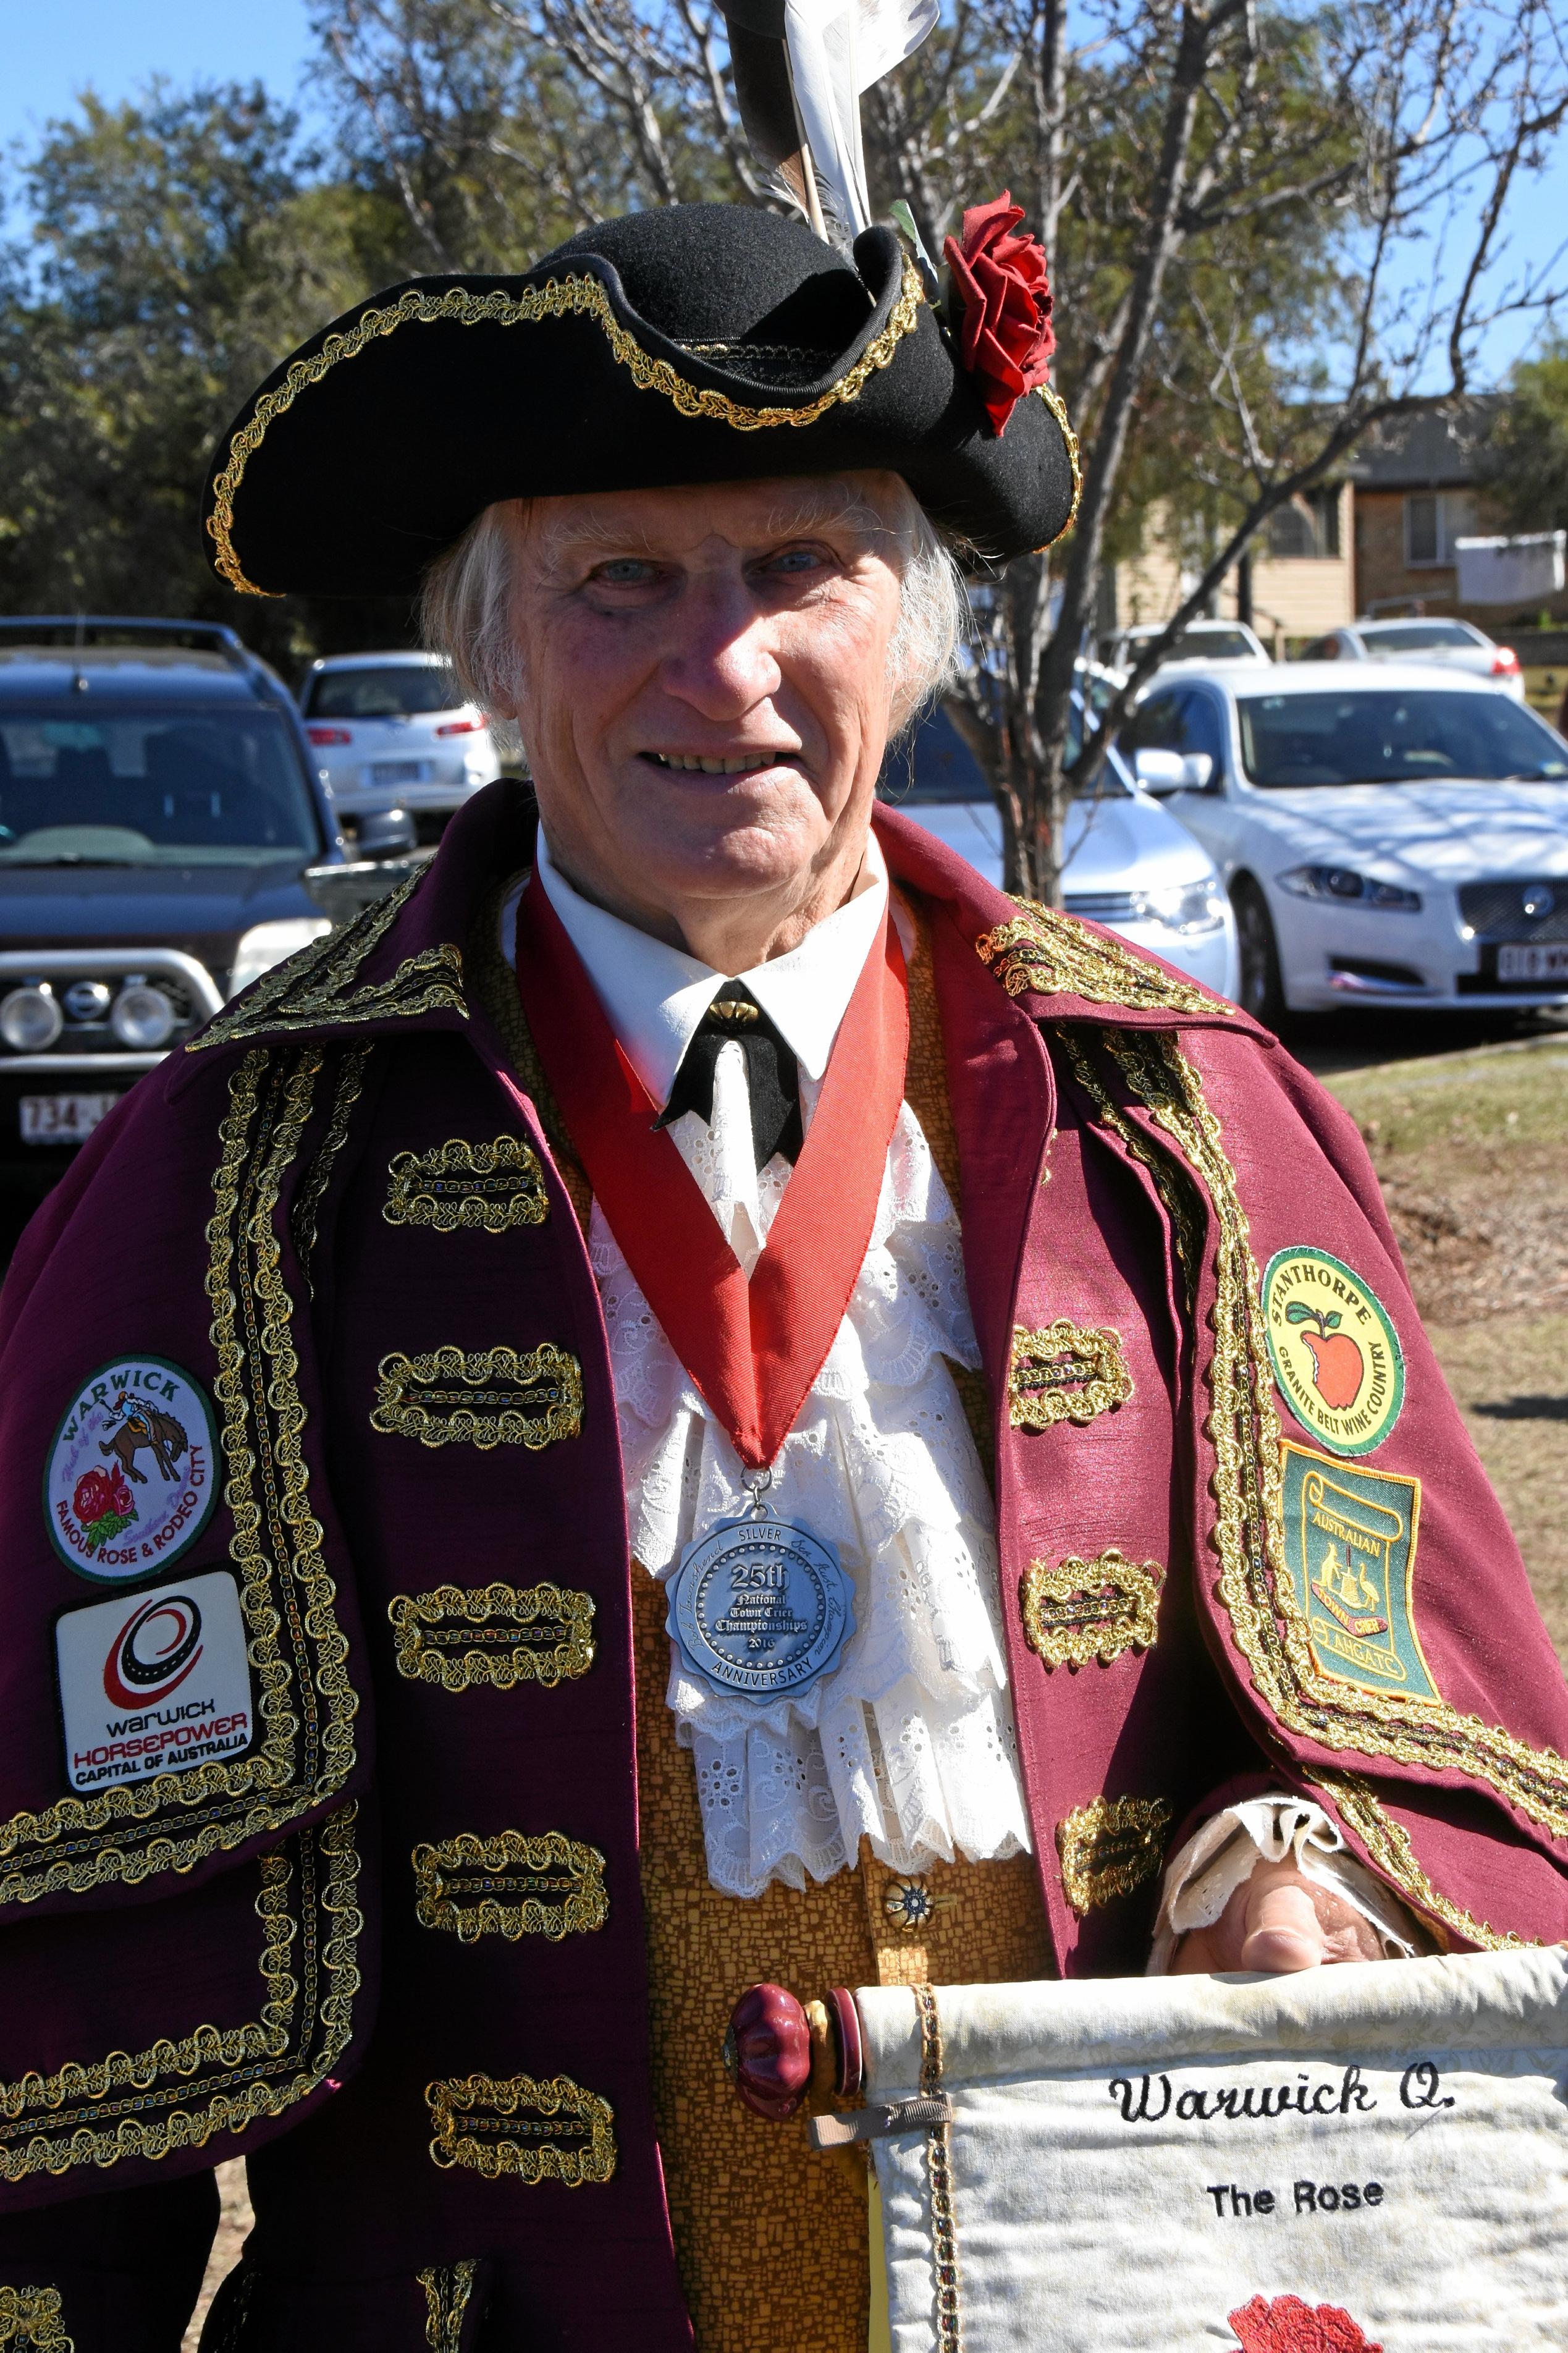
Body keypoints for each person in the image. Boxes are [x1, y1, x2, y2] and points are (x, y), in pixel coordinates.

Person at [0, 183, 1564, 2353]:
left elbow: (1439, 1740)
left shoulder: (1177, 1120)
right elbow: (67, 1974)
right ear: (491, 646)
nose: (715, 663)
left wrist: (1284, 1857)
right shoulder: (239, 1171)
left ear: (910, 625)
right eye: (617, 577)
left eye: (798, 566)